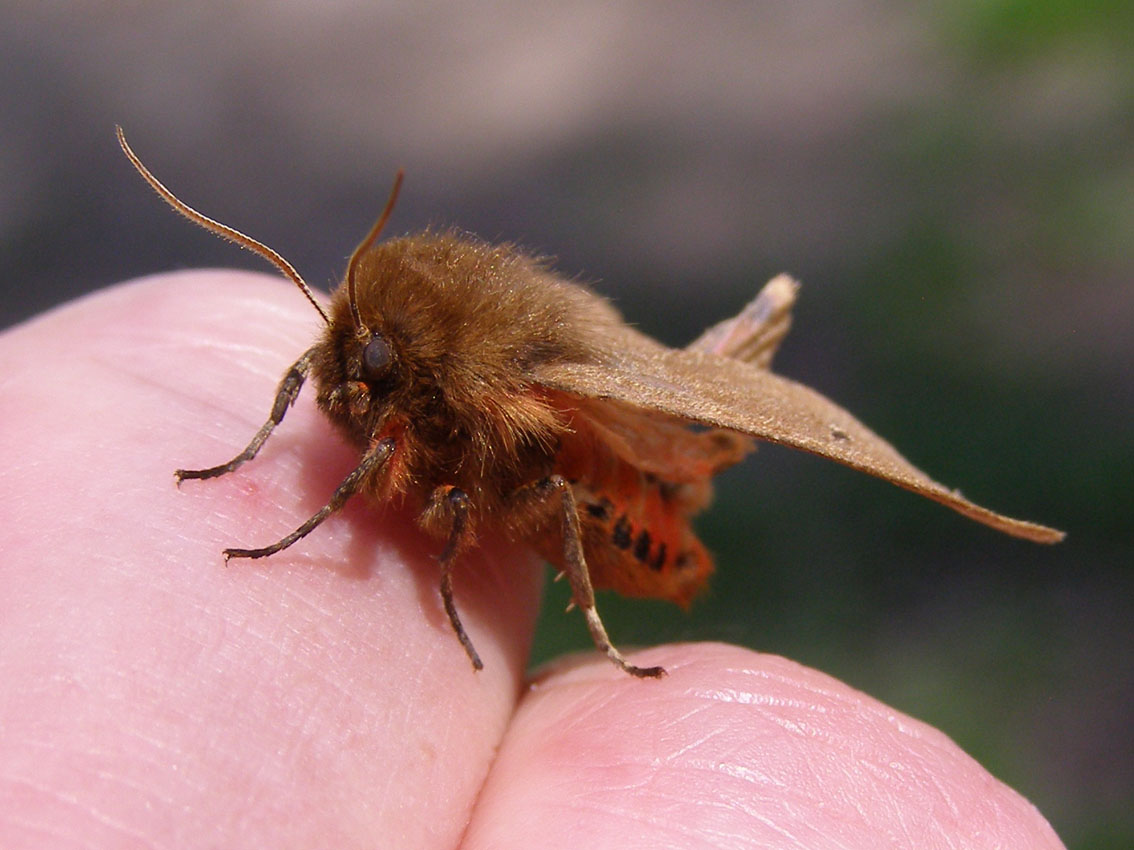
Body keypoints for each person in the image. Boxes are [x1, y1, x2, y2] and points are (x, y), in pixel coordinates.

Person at [0, 271, 1065, 848]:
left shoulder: (472, 397)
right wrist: (248, 454)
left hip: (618, 512)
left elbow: (493, 481)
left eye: (364, 368)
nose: (339, 391)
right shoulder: (382, 371)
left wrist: (304, 524)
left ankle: (600, 627)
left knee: (549, 487)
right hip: (549, 470)